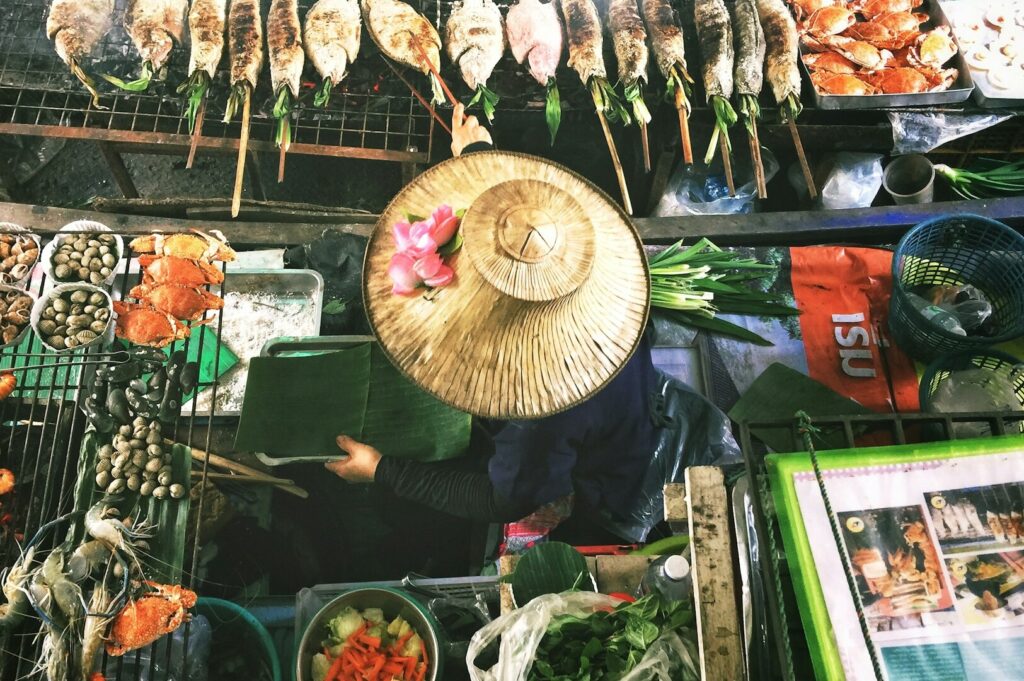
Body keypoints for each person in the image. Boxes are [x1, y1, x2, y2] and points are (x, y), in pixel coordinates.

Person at [326, 105, 737, 547]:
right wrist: (479, 154)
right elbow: (523, 237)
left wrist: (383, 470)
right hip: (628, 399)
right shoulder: (590, 263)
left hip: (621, 476)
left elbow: (501, 500)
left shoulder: (536, 410)